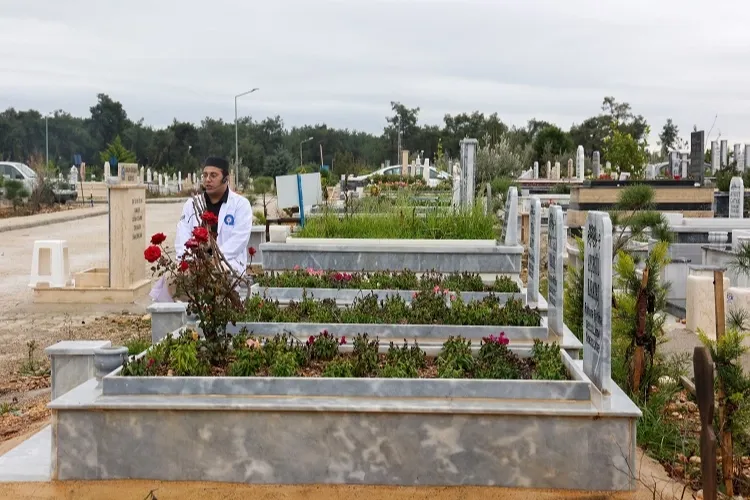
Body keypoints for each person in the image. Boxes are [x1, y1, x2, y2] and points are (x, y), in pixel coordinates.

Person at [174, 156, 252, 276]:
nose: (208, 180)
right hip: (195, 265)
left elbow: (239, 239)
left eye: (213, 175)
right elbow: (182, 235)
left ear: (226, 179)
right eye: (205, 175)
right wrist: (190, 260)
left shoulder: (240, 205)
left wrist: (214, 260)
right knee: (169, 280)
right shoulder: (192, 204)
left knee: (219, 274)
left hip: (228, 264)